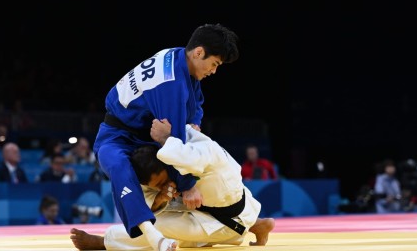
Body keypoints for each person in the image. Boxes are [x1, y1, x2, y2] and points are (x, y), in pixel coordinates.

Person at [92, 24, 239, 250]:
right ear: (199, 52)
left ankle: (239, 215)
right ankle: (153, 237)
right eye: (215, 64)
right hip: (116, 136)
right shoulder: (171, 84)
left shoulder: (178, 56)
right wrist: (188, 185)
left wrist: (195, 124)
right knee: (121, 167)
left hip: (148, 134)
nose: (214, 71)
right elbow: (175, 140)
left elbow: (196, 103)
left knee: (201, 160)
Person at [70, 119, 274, 250]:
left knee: (156, 229)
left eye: (163, 180)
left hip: (228, 214)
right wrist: (160, 198)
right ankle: (254, 224)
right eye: (157, 185)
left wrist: (168, 138)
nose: (165, 185)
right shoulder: (155, 170)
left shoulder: (198, 151)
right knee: (158, 221)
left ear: (169, 164)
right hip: (224, 210)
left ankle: (105, 242)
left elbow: (184, 149)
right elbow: (147, 206)